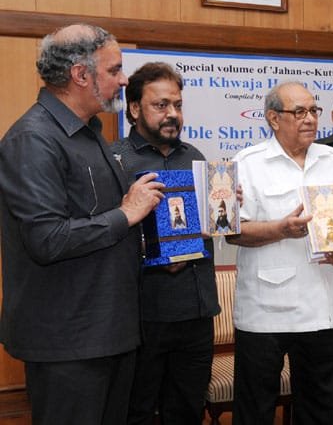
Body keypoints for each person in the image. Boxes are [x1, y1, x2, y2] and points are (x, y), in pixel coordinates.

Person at [0, 24, 164, 424]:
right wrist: (126, 213)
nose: (125, 80)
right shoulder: (33, 140)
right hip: (67, 341)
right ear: (80, 74)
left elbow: (106, 217)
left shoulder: (89, 133)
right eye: (115, 70)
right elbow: (47, 240)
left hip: (109, 331)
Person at [227, 81, 333, 424]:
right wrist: (280, 229)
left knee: (318, 409)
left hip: (323, 307)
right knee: (255, 410)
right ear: (272, 118)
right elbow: (233, 233)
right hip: (265, 311)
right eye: (299, 112)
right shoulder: (249, 163)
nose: (310, 119)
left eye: (313, 110)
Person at [110, 62, 221, 425]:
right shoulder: (115, 160)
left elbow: (210, 224)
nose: (172, 114)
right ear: (135, 109)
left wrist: (224, 207)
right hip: (140, 313)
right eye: (161, 105)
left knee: (187, 409)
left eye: (177, 104)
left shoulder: (196, 158)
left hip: (195, 310)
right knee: (137, 410)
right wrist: (151, 252)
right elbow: (105, 233)